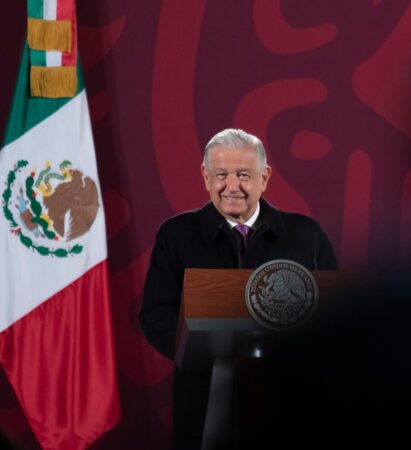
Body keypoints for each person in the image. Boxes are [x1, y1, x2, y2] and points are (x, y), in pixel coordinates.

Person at [139, 128, 337, 448]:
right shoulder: (176, 235)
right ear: (205, 176)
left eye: (244, 174)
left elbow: (333, 312)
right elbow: (156, 314)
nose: (232, 186)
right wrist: (198, 350)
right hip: (205, 395)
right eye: (221, 175)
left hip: (287, 394)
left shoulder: (306, 235)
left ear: (265, 177)